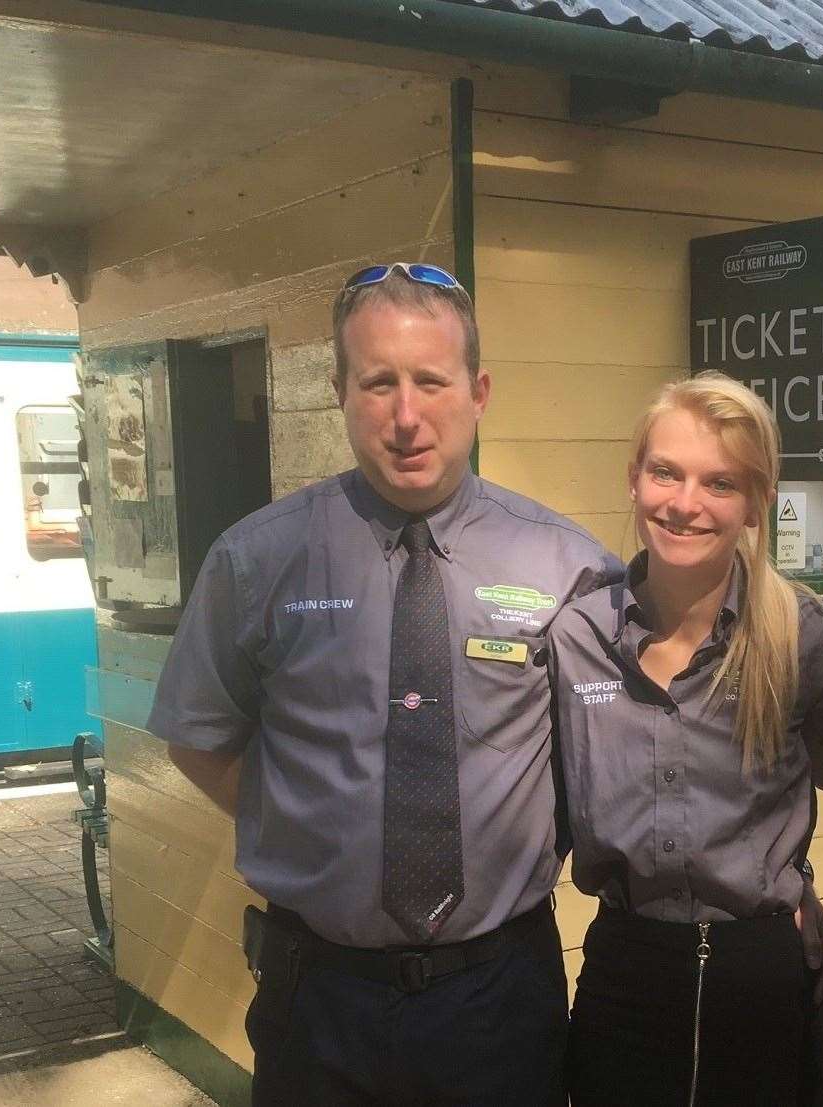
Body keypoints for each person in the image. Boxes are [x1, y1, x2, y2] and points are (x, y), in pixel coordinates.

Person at [146, 262, 619, 1106]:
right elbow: (196, 735)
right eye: (378, 383)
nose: (407, 416)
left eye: (431, 381)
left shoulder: (569, 567)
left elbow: (613, 752)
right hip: (319, 995)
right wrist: (315, 830)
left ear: (478, 390)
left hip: (498, 997)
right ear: (339, 389)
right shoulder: (258, 560)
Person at [547, 373, 823, 1106]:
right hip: (626, 975)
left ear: (757, 502)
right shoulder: (575, 638)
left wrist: (805, 889)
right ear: (633, 478)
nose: (685, 503)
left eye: (720, 482)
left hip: (767, 980)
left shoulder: (802, 636)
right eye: (666, 472)